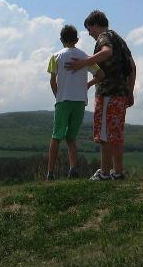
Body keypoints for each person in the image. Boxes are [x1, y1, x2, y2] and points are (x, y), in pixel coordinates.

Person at [66, 10, 136, 181]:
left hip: (107, 94)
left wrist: (84, 62)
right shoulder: (120, 39)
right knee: (116, 134)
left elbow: (107, 52)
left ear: (95, 25)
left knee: (104, 135)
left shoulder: (104, 37)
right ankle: (118, 172)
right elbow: (132, 67)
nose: (89, 33)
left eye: (89, 29)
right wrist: (130, 91)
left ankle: (104, 173)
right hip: (120, 93)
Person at [45, 25, 102, 180]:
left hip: (63, 100)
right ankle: (73, 169)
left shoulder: (55, 56)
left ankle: (50, 173)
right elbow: (100, 74)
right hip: (80, 101)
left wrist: (58, 96)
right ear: (76, 40)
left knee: (56, 137)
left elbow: (52, 81)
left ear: (61, 40)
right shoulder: (85, 56)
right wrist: (88, 84)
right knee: (71, 138)